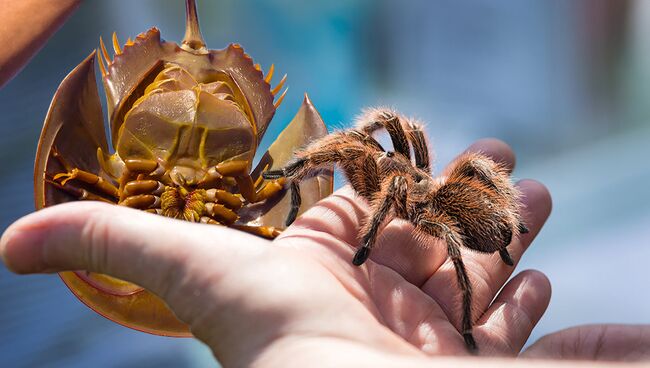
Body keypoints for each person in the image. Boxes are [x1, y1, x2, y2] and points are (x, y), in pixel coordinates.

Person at [1, 1, 648, 367]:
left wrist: (368, 251)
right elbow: (389, 134)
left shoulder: (413, 199)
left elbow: (437, 214)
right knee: (389, 137)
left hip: (450, 212)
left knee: (404, 161)